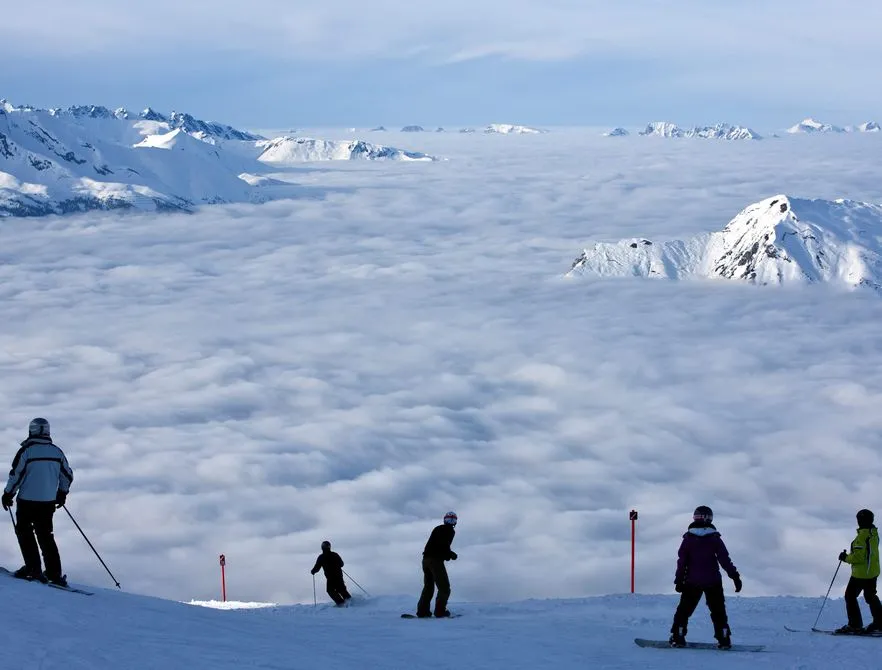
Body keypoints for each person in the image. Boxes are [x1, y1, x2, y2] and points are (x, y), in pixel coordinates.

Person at [2, 418, 73, 587]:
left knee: (25, 533)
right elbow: (67, 475)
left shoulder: (26, 452)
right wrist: (62, 493)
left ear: (31, 431)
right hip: (47, 502)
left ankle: (33, 569)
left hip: (26, 501)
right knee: (46, 535)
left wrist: (8, 494)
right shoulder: (57, 452)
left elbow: (16, 475)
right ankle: (54, 573)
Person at [669, 505, 742, 649]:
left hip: (692, 581)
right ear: (709, 519)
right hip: (713, 581)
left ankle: (678, 636)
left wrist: (679, 580)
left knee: (684, 611)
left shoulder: (688, 539)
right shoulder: (714, 538)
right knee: (718, 612)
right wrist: (734, 576)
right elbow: (724, 559)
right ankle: (724, 638)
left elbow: (682, 561)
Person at [836, 508, 882, 634]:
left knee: (850, 596)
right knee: (870, 596)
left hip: (861, 574)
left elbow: (858, 557)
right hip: (872, 572)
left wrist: (845, 557)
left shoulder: (862, 536)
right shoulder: (874, 534)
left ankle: (855, 625)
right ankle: (880, 624)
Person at [416, 511, 458, 618]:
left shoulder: (438, 528)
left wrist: (448, 554)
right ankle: (440, 611)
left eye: (453, 519)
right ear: (445, 520)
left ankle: (422, 611)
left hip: (426, 560)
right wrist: (450, 555)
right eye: (449, 519)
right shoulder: (450, 531)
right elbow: (443, 546)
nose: (451, 521)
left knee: (428, 586)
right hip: (435, 561)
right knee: (444, 587)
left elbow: (436, 545)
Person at [310, 540, 351, 606]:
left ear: (322, 548)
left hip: (330, 577)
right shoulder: (335, 554)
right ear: (329, 547)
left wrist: (313, 571)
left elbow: (317, 567)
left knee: (330, 590)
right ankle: (350, 601)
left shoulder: (321, 557)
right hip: (338, 576)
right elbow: (342, 564)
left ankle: (341, 603)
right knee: (341, 589)